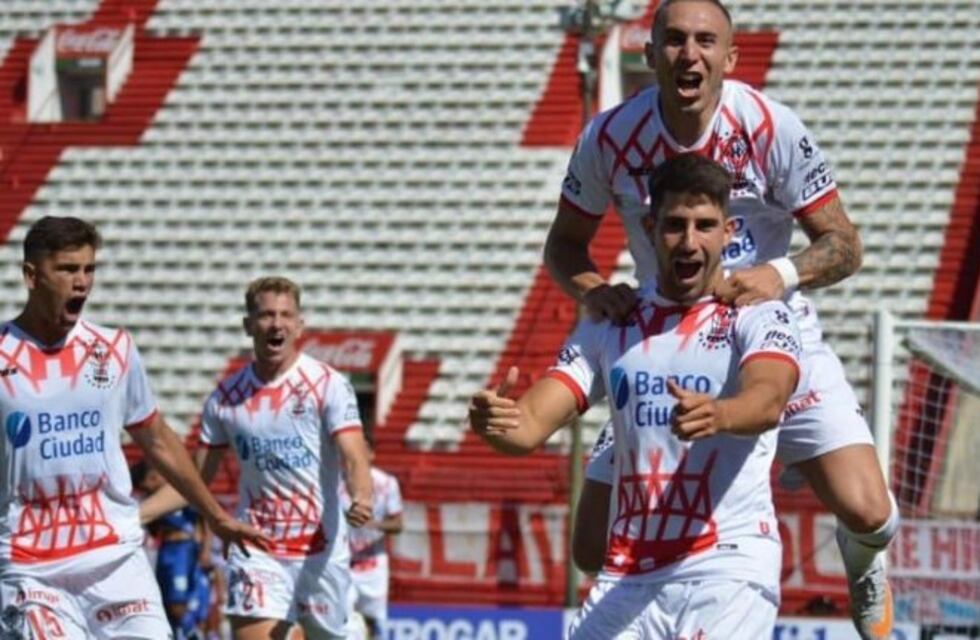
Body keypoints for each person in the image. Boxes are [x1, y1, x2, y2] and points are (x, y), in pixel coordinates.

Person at [546, 1, 896, 637]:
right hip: (667, 346)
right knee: (590, 547)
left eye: (706, 41)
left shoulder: (769, 126)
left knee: (870, 510)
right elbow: (563, 246)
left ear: (730, 58)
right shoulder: (608, 137)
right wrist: (599, 290)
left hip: (767, 333)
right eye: (674, 40)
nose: (690, 54)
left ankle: (862, 559)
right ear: (648, 53)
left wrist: (779, 274)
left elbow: (844, 244)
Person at [472, 154, 801, 638]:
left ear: (729, 231)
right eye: (674, 225)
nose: (689, 241)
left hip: (726, 569)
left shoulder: (756, 314)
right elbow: (529, 425)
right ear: (649, 228)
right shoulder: (613, 320)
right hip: (629, 574)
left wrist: (721, 413)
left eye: (705, 225)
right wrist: (495, 424)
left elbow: (769, 398)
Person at [0, 216, 267, 639]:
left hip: (115, 556)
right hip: (30, 567)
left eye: (89, 269)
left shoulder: (114, 349)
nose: (82, 282)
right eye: (68, 269)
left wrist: (215, 516)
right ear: (31, 276)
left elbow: (158, 440)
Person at [141, 276, 374, 640]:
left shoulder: (327, 383)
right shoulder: (226, 397)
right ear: (248, 325)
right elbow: (195, 481)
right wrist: (134, 517)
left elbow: (355, 455)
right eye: (266, 315)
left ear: (299, 325)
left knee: (328, 634)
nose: (276, 323)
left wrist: (362, 494)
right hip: (256, 548)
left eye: (286, 315)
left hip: (320, 550)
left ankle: (351, 626)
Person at [134, 461, 213, 640]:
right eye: (151, 477)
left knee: (180, 604)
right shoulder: (151, 501)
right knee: (168, 602)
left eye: (157, 476)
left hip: (183, 552)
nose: (156, 480)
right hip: (166, 551)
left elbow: (205, 518)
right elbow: (152, 530)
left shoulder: (180, 493)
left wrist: (206, 549)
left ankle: (192, 634)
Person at [343, 430, 403, 640]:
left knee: (371, 620)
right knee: (343, 618)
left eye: (363, 449)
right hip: (342, 562)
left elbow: (398, 524)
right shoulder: (335, 482)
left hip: (373, 563)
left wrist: (374, 525)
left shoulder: (387, 483)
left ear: (371, 454)